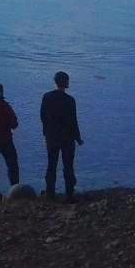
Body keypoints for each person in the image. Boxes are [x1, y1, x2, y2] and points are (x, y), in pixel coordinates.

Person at [40, 71, 82, 200]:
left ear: (55, 81)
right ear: (66, 82)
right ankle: (69, 193)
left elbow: (43, 116)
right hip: (67, 137)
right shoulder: (70, 100)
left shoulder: (47, 97)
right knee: (68, 166)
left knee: (51, 165)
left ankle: (50, 193)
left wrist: (46, 132)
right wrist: (78, 137)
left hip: (52, 136)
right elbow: (73, 121)